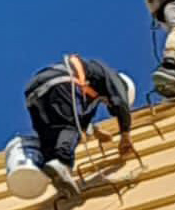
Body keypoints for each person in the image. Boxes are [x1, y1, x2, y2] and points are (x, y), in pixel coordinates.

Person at [23, 55, 137, 198]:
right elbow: (121, 103)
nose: (108, 105)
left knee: (51, 138)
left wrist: (95, 132)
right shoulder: (113, 79)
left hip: (35, 92)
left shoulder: (90, 91)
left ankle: (57, 174)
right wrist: (125, 135)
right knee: (70, 128)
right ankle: (62, 163)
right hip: (60, 83)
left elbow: (81, 119)